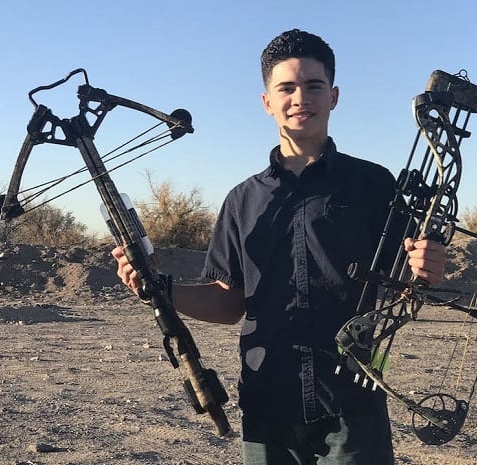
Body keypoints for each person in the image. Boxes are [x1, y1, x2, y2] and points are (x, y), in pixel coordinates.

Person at [112, 29, 447, 465]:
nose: (300, 98)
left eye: (314, 86)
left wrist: (427, 266)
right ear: (267, 101)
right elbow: (229, 302)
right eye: (286, 88)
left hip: (353, 402)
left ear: (334, 96)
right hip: (267, 401)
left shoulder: (373, 183)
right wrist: (158, 287)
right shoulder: (242, 200)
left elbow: (406, 281)